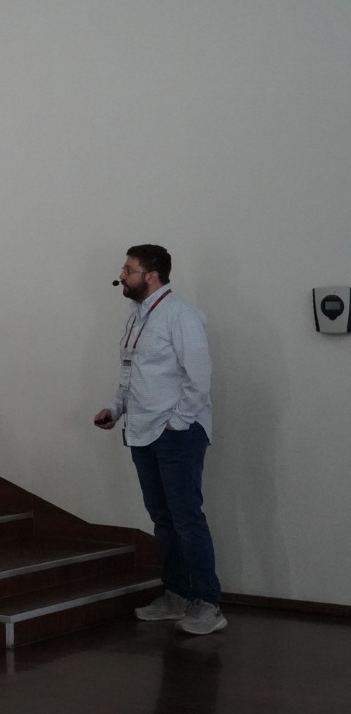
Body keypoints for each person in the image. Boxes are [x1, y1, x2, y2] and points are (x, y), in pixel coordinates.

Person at [94, 245, 223, 636]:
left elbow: (198, 378)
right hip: (142, 432)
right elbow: (130, 374)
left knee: (186, 518)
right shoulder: (136, 317)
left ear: (151, 275)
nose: (121, 275)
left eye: (128, 269)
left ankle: (207, 604)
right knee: (163, 518)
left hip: (177, 434)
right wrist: (114, 408)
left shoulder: (180, 314)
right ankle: (176, 595)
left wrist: (177, 424)